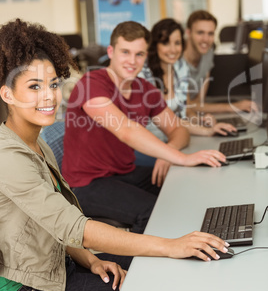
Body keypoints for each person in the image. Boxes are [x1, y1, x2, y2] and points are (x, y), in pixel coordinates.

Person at [0, 18, 230, 291]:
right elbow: (72, 224)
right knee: (154, 275)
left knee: (161, 262)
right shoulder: (9, 157)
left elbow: (55, 227)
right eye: (35, 87)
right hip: (28, 283)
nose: (49, 96)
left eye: (53, 84)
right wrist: (171, 246)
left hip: (58, 261)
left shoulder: (35, 143)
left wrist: (91, 258)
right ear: (7, 94)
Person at [62, 21, 227, 231]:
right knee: (152, 211)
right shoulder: (91, 83)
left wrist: (170, 151)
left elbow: (178, 129)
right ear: (111, 52)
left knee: (184, 185)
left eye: (139, 54)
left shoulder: (145, 89)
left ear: (146, 56)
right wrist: (182, 158)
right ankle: (137, 263)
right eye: (125, 52)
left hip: (123, 173)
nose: (132, 61)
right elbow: (126, 130)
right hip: (86, 184)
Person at [136, 18, 237, 167]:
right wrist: (204, 131)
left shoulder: (180, 67)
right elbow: (166, 122)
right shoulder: (143, 75)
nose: (173, 49)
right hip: (148, 146)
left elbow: (181, 114)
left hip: (174, 139)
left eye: (177, 43)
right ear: (155, 45)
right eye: (165, 43)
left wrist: (202, 122)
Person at [183, 9, 258, 114]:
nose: (206, 39)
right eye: (200, 33)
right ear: (188, 32)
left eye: (210, 34)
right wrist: (233, 106)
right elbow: (187, 106)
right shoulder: (177, 60)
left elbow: (199, 102)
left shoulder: (208, 52)